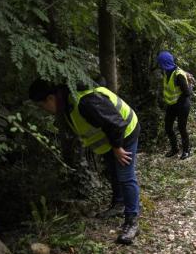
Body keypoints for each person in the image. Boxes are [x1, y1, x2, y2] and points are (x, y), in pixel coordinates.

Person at [28, 79, 141, 244]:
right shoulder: (66, 102)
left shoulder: (84, 101)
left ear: (50, 98)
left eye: (41, 106)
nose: (43, 110)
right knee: (112, 170)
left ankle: (132, 221)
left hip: (125, 132)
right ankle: (119, 204)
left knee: (125, 176)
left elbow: (116, 123)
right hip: (112, 137)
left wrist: (117, 147)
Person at [157, 51, 191, 160]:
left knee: (182, 127)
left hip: (182, 105)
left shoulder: (179, 74)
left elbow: (187, 93)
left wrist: (178, 102)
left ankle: (186, 150)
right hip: (172, 105)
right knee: (168, 127)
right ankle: (174, 148)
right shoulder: (166, 72)